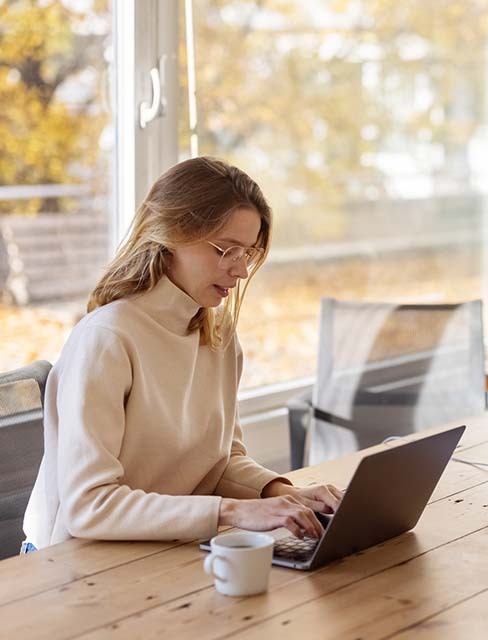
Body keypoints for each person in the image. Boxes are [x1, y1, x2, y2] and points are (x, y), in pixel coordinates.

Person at [21, 157, 341, 553]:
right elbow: (88, 506)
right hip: (71, 566)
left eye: (248, 253)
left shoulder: (219, 335)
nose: (240, 271)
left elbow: (219, 462)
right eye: (227, 250)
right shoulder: (106, 339)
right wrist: (231, 512)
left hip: (161, 551)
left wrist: (285, 493)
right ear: (172, 235)